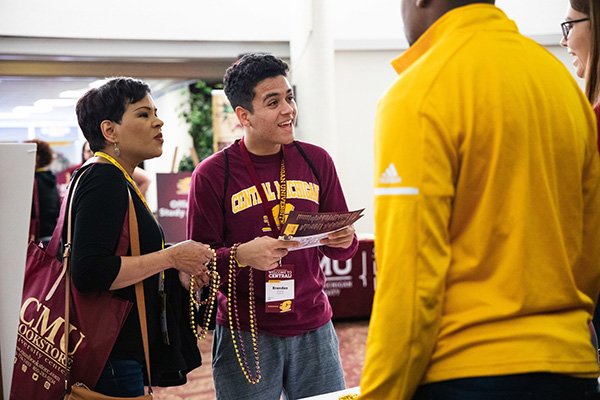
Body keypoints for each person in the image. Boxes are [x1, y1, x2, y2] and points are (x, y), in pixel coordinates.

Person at [359, 1, 600, 399]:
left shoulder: (419, 91)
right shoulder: (559, 84)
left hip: (465, 373)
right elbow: (589, 249)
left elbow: (410, 278)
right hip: (571, 368)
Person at [187, 53, 358, 400]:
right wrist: (241, 255)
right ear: (243, 115)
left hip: (314, 324)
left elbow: (345, 243)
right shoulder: (212, 174)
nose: (288, 110)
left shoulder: (316, 159)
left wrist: (343, 240)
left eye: (290, 97)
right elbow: (198, 265)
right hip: (245, 331)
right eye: (273, 102)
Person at [69, 77, 213, 397]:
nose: (158, 121)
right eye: (143, 114)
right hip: (112, 354)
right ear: (110, 131)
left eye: (155, 112)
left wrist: (176, 267)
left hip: (116, 350)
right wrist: (172, 256)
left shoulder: (116, 177)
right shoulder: (103, 177)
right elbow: (90, 271)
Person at [66, 140, 152, 196]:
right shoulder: (80, 172)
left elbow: (146, 179)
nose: (92, 153)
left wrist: (133, 200)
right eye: (88, 151)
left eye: (93, 150)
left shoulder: (113, 165)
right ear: (83, 154)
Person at [26, 138, 60, 244]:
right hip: (52, 233)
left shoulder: (33, 180)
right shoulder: (50, 178)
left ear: (37, 157)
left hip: (36, 235)